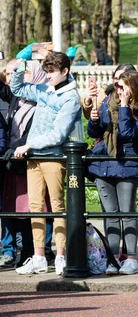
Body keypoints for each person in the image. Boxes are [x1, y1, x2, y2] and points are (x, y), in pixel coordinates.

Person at [11, 52, 83, 276]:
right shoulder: (43, 89)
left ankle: (60, 255)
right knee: (35, 207)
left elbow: (58, 134)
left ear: (65, 72)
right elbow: (17, 88)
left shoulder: (70, 98)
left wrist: (29, 145)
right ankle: (40, 256)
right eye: (47, 71)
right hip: (34, 157)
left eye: (52, 72)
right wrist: (21, 64)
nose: (48, 76)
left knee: (58, 207)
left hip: (53, 157)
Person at [87, 70, 138, 275]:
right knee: (111, 214)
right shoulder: (107, 102)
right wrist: (94, 120)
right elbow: (94, 134)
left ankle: (131, 258)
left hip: (127, 163)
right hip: (103, 164)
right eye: (117, 86)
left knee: (127, 213)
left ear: (134, 87)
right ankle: (113, 257)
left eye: (123, 87)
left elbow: (128, 134)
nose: (119, 90)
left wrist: (125, 107)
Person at [0, 59, 48, 268]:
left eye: (26, 73)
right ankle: (25, 252)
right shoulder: (17, 99)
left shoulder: (41, 101)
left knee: (34, 207)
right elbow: (6, 88)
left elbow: (32, 132)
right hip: (14, 161)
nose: (21, 77)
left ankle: (37, 251)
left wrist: (15, 148)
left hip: (29, 160)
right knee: (17, 208)